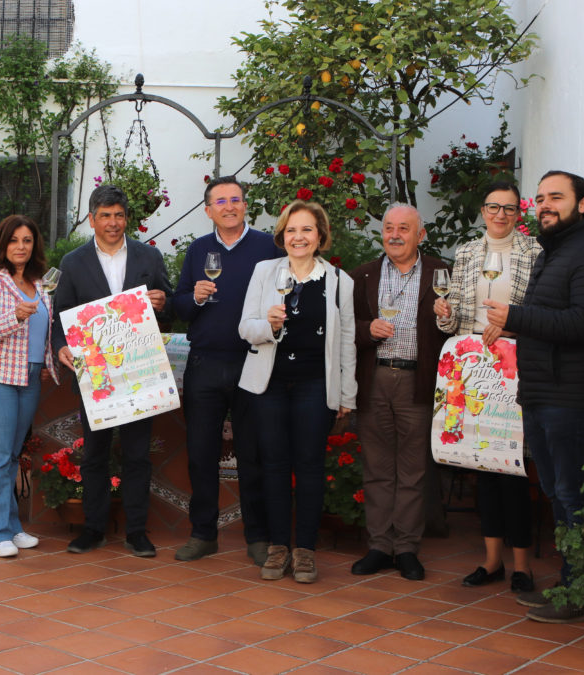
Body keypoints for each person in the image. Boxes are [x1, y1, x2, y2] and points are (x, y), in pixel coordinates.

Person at [485, 170, 584, 623]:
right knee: (558, 493)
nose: (544, 205)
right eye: (540, 198)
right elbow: (552, 318)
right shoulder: (557, 252)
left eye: (556, 197)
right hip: (546, 392)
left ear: (582, 204)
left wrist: (518, 317)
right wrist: (515, 324)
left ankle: (581, 592)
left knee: (571, 495)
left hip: (573, 395)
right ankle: (571, 583)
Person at [237, 201, 356, 582]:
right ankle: (276, 548)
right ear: (282, 236)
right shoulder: (264, 272)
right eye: (291, 230)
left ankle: (304, 550)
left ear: (320, 235)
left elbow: (348, 342)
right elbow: (245, 328)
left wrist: (347, 396)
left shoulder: (340, 281)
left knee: (308, 467)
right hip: (269, 384)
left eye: (306, 230)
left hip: (314, 385)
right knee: (272, 465)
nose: (298, 237)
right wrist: (268, 326)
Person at [52, 184, 173, 557]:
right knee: (94, 455)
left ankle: (137, 531)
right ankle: (93, 528)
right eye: (105, 215)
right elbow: (61, 314)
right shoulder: (73, 262)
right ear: (92, 219)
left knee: (137, 454)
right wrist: (60, 347)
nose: (113, 222)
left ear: (127, 219)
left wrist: (162, 301)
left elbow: (167, 306)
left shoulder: (148, 257)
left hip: (138, 372)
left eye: (119, 215)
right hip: (96, 375)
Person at [433, 180, 540, 593]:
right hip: (474, 368)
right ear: (482, 210)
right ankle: (492, 559)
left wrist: (510, 324)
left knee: (512, 467)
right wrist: (443, 312)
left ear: (519, 214)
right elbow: (455, 317)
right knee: (482, 466)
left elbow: (540, 311)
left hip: (513, 366)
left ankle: (523, 566)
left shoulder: (534, 254)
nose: (500, 215)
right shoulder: (466, 253)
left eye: (509, 209)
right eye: (494, 207)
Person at [171, 176, 281, 566]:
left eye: (236, 199)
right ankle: (203, 534)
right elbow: (179, 303)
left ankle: (257, 536)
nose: (229, 206)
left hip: (253, 360)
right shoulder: (198, 249)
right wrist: (194, 298)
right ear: (208, 210)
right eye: (221, 201)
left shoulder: (269, 246)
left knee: (253, 453)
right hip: (204, 364)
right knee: (201, 454)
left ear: (245, 205)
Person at [350, 203, 449, 581]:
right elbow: (348, 328)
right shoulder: (362, 276)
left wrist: (447, 315)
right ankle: (379, 546)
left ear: (420, 235)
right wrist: (366, 330)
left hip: (418, 381)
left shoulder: (443, 273)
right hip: (374, 378)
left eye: (404, 228)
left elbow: (453, 324)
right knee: (376, 467)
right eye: (389, 227)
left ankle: (406, 548)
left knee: (413, 469)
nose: (394, 234)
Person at [0, 215, 58, 557]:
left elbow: (45, 329)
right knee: (0, 454)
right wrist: (15, 316)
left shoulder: (39, 282)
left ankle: (11, 527)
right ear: (2, 243)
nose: (21, 247)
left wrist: (47, 362)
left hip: (30, 376)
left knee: (12, 455)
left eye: (27, 240)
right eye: (14, 240)